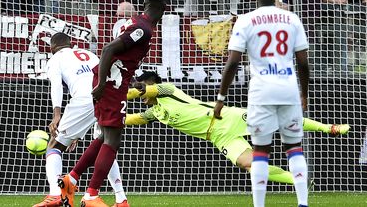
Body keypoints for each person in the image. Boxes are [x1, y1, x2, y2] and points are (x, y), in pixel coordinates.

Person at [127, 71, 349, 185]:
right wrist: (106, 114)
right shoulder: (154, 112)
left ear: (152, 84)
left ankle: (328, 128)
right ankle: (298, 179)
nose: (141, 92)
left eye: (143, 85)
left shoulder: (167, 89)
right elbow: (132, 119)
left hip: (226, 117)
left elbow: (143, 91)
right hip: (217, 136)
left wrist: (118, 91)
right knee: (250, 166)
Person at [58, 0, 166, 207]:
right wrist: (101, 84)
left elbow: (121, 56)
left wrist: (131, 77)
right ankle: (91, 195)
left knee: (103, 138)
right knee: (112, 140)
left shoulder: (138, 23)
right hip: (111, 84)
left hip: (114, 80)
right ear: (162, 7)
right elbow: (108, 50)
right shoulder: (143, 29)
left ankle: (72, 179)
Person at [214, 0, 310, 207]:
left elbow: (232, 63)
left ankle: (259, 205)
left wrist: (221, 98)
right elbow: (304, 63)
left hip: (261, 91)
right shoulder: (292, 19)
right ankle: (303, 203)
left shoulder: (246, 20)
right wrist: (304, 94)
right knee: (294, 147)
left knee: (260, 150)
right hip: (287, 88)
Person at [33, 33, 128, 207]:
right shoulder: (88, 54)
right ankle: (121, 199)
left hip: (83, 99)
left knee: (54, 144)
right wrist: (77, 132)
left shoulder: (55, 59)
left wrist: (57, 115)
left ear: (52, 48)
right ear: (71, 44)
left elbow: (56, 86)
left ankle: (55, 194)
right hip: (105, 96)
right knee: (106, 144)